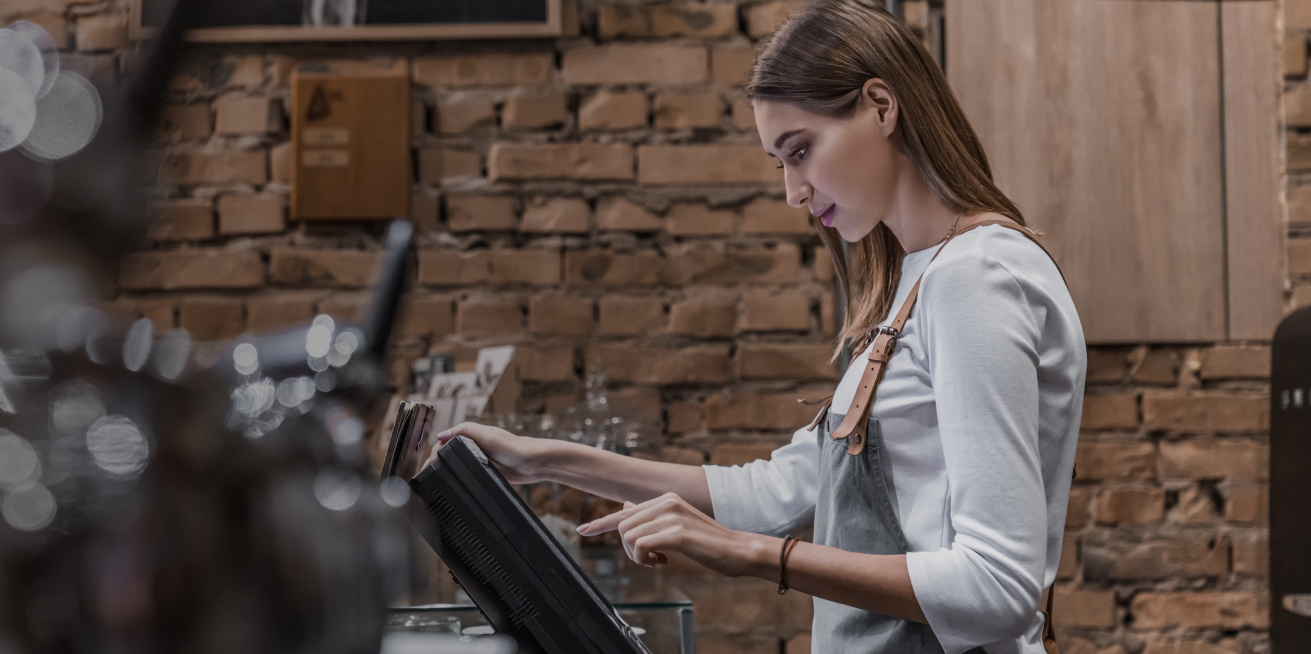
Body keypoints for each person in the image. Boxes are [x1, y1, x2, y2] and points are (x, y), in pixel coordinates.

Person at [432, 3, 1084, 652]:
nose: (793, 191)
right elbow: (773, 491)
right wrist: (541, 460)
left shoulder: (975, 276)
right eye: (780, 162)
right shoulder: (919, 285)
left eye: (800, 151)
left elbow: (998, 588)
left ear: (881, 106)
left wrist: (750, 554)